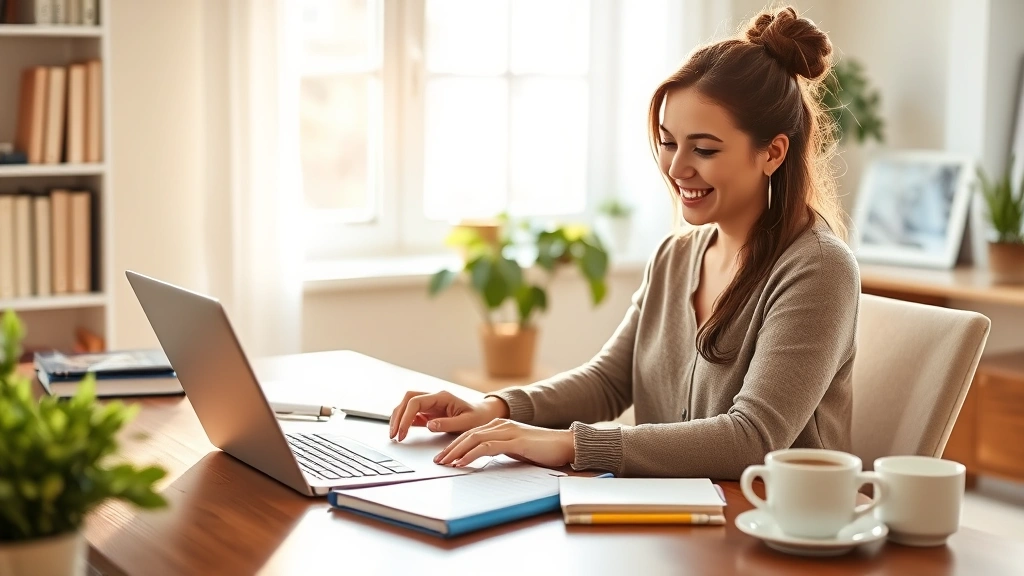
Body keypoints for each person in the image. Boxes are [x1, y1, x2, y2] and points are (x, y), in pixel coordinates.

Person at [389, 5, 859, 480]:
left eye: (705, 149)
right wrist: (495, 408)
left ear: (773, 153)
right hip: (670, 521)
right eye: (668, 142)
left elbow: (751, 438)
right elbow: (609, 381)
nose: (676, 169)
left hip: (766, 529)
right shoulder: (676, 257)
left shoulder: (818, 269)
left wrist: (568, 443)